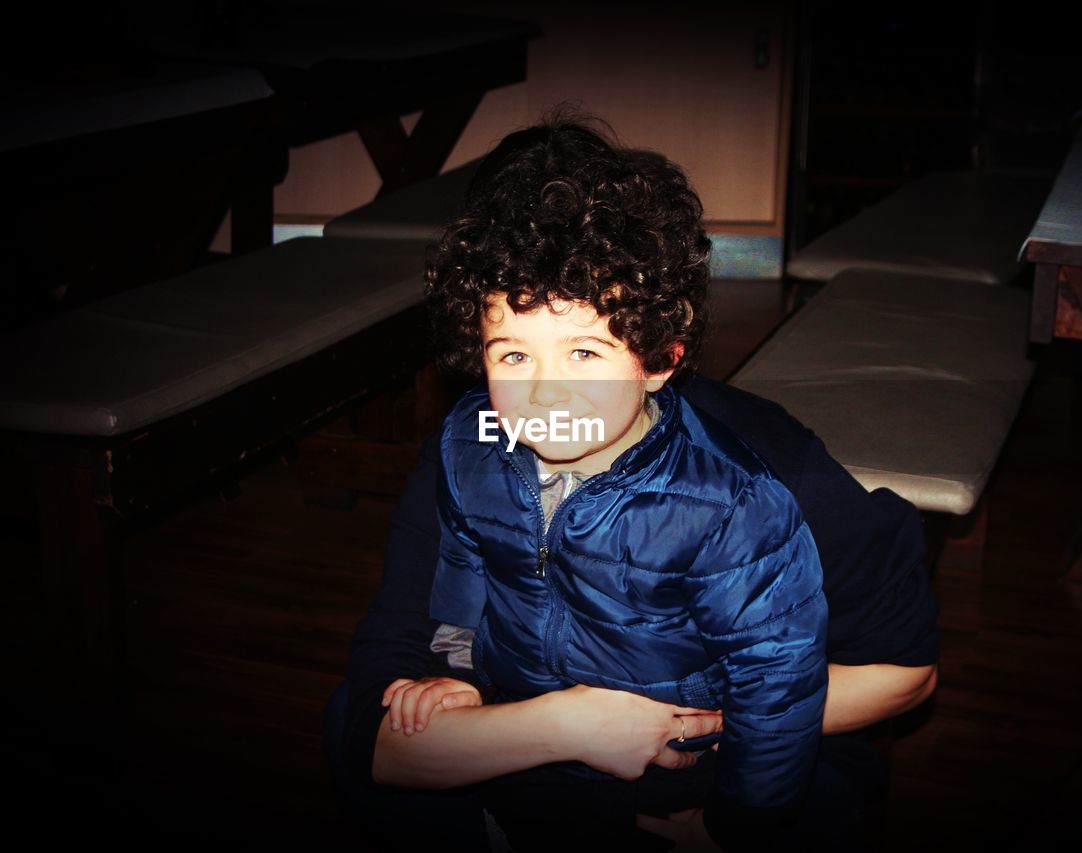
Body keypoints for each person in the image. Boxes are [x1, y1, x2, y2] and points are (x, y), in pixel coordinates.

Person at [332, 118, 939, 851]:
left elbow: (882, 668)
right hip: (544, 763)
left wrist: (692, 727)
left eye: (583, 344)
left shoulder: (741, 481)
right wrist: (547, 712)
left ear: (654, 347)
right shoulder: (476, 440)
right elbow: (394, 689)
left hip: (702, 767)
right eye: (513, 349)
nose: (547, 390)